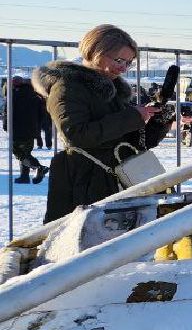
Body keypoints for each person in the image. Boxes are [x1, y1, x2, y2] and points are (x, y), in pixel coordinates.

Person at [32, 24, 171, 222]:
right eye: (119, 60)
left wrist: (157, 121)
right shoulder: (68, 86)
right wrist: (132, 116)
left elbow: (132, 143)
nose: (123, 68)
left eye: (129, 63)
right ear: (96, 51)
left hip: (115, 178)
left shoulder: (113, 89)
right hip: (84, 182)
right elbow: (77, 134)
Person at [5, 76, 48, 184]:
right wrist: (37, 126)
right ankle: (24, 176)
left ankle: (39, 167)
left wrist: (6, 125)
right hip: (32, 129)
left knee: (18, 152)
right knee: (26, 152)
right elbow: (42, 114)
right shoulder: (36, 96)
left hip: (17, 128)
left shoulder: (13, 95)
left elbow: (8, 112)